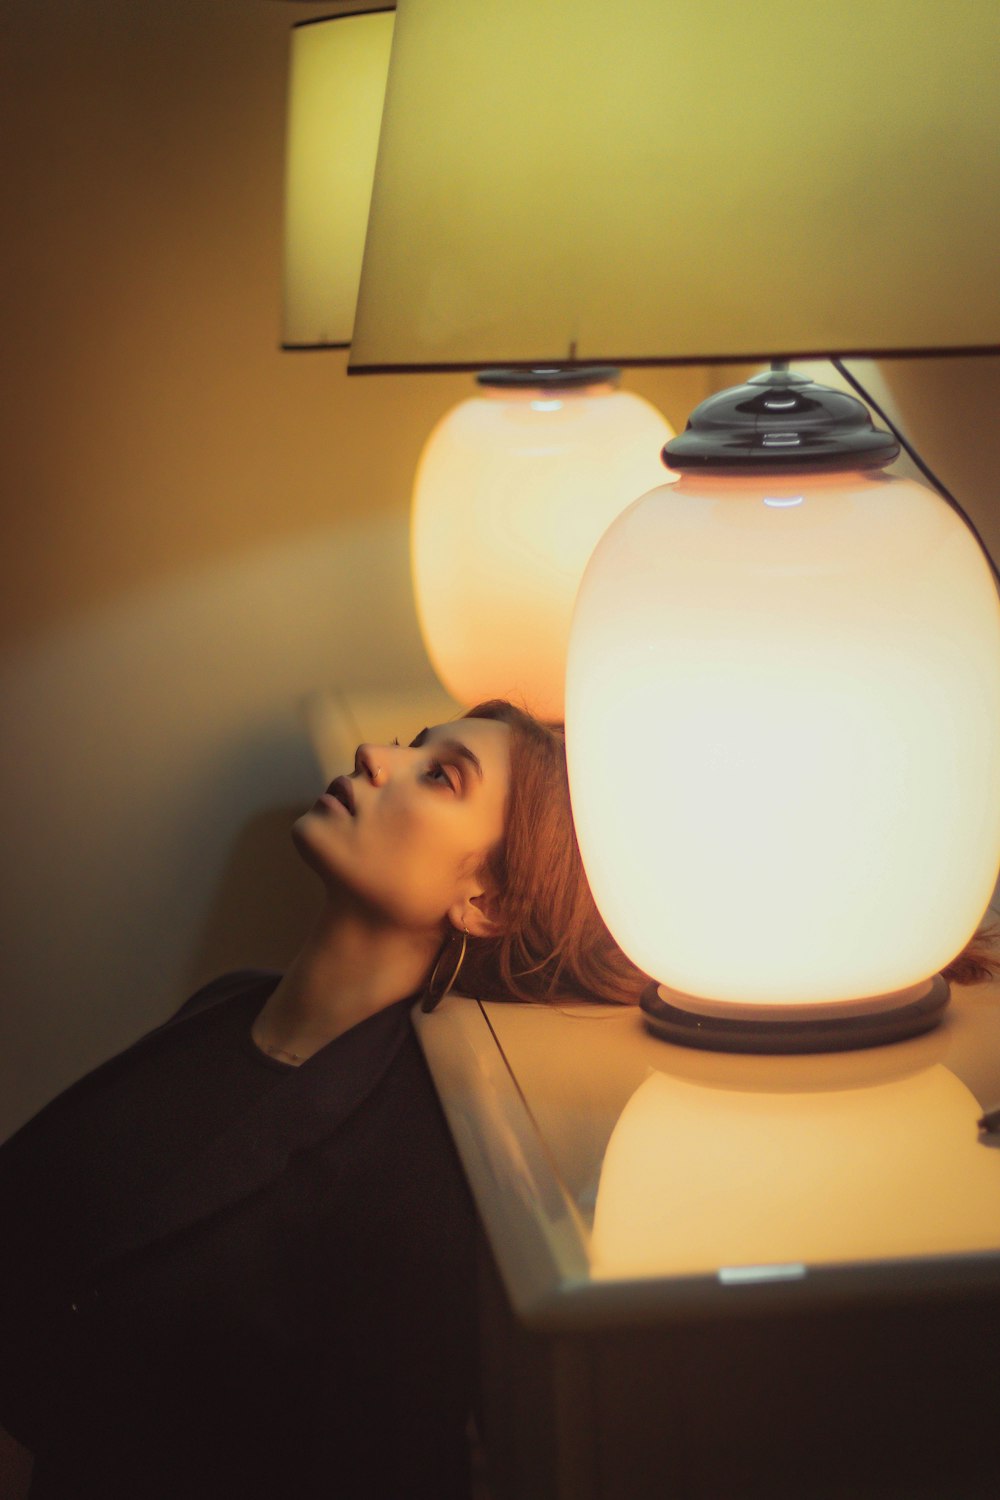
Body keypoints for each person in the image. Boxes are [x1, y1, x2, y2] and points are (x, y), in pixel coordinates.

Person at [0, 700, 647, 1500]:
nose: (376, 754)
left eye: (439, 775)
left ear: (488, 903)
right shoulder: (226, 1004)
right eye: (411, 744)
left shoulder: (411, 1164)